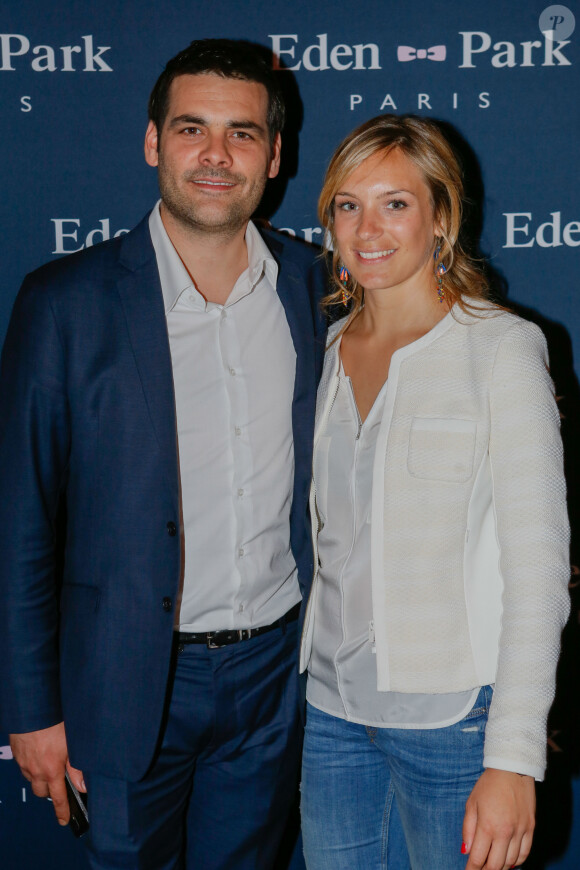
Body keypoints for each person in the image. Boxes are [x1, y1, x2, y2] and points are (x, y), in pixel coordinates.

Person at [0, 39, 326, 870]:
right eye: (192, 128)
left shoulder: (316, 289)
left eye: (243, 133)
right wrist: (32, 709)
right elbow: (21, 523)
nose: (216, 155)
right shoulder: (63, 302)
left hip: (274, 674)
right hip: (123, 681)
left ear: (275, 154)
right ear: (153, 142)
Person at [299, 114, 570, 870]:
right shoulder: (321, 352)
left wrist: (513, 757)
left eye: (396, 203)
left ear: (441, 217)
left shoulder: (500, 349)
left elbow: (539, 569)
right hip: (330, 716)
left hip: (454, 723)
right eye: (348, 205)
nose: (368, 228)